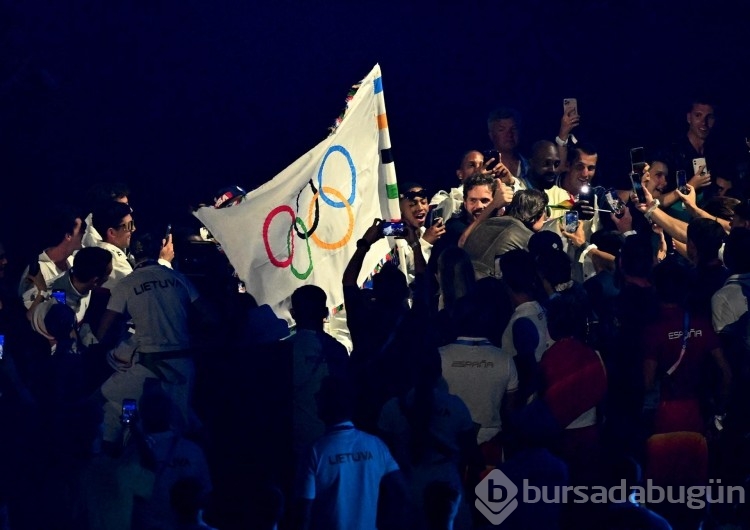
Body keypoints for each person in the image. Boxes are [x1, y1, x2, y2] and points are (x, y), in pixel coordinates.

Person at [96, 231, 216, 446]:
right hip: (184, 364)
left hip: (149, 366)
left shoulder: (126, 284)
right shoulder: (178, 278)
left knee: (108, 397)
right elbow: (210, 317)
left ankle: (109, 455)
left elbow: (103, 331)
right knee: (180, 426)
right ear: (159, 250)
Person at [293, 376, 404, 530]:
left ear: (329, 402)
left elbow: (304, 514)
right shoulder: (376, 445)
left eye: (321, 394)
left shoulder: (314, 451)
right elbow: (400, 491)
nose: (315, 397)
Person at [462, 189, 550, 278]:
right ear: (537, 215)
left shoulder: (486, 222)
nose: (547, 217)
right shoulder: (529, 239)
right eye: (545, 212)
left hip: (463, 278)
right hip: (489, 287)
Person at [18, 205, 85, 308]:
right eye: (81, 230)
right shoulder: (37, 270)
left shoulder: (74, 263)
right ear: (68, 236)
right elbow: (32, 313)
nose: (84, 233)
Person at [486, 107, 529, 189]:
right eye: (502, 130)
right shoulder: (484, 166)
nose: (509, 134)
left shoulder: (529, 166)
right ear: (491, 135)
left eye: (513, 129)